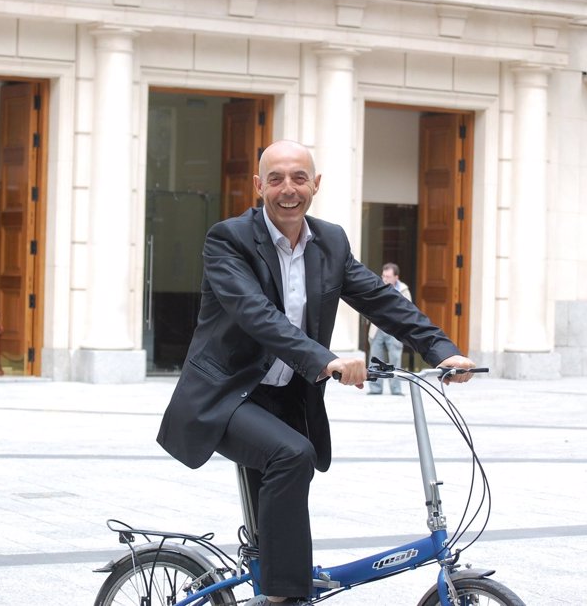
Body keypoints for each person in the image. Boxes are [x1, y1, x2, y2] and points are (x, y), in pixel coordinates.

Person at [156, 140, 475, 606]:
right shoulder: (229, 239)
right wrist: (325, 359)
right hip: (226, 397)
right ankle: (283, 598)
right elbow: (257, 314)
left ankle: (280, 577)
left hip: (285, 399)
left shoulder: (330, 241)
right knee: (292, 454)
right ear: (259, 185)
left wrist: (442, 350)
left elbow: (380, 299)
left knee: (290, 466)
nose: (289, 189)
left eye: (299, 178)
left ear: (316, 185)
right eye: (277, 178)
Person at [366, 262, 411, 396]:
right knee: (374, 357)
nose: (385, 279)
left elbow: (407, 309)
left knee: (395, 358)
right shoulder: (377, 285)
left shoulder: (403, 290)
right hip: (377, 327)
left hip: (394, 329)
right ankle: (375, 388)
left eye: (388, 276)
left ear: (396, 277)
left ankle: (396, 389)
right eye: (383, 275)